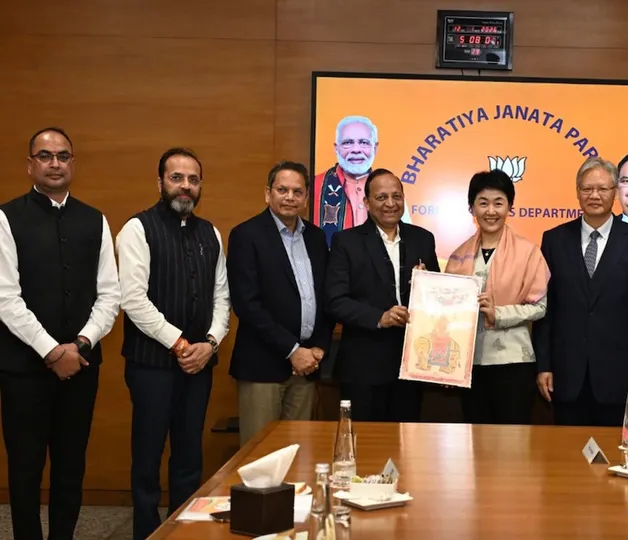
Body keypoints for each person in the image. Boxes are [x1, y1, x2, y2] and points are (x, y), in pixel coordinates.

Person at [0, 127, 121, 540]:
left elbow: (110, 295)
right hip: (23, 371)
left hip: (82, 366)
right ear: (30, 164)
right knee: (25, 469)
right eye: (46, 156)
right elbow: (6, 300)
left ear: (73, 163)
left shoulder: (95, 220)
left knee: (71, 466)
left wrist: (81, 343)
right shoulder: (6, 217)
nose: (55, 163)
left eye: (63, 156)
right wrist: (53, 351)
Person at [116, 147, 230, 539]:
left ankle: (184, 533)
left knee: (188, 459)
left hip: (199, 366)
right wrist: (182, 345)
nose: (185, 186)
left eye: (193, 179)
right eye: (176, 177)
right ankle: (147, 534)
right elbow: (133, 300)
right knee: (147, 461)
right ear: (160, 182)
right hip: (151, 368)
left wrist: (211, 343)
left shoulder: (210, 233)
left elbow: (222, 298)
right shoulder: (137, 229)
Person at [533, 157, 628, 427]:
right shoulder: (554, 240)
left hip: (619, 376)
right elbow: (546, 310)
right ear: (577, 192)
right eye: (587, 189)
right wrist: (544, 365)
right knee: (566, 459)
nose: (594, 195)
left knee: (614, 458)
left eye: (603, 189)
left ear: (615, 192)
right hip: (566, 374)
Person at [228, 161, 333, 445]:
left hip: (307, 367)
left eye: (297, 191)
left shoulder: (316, 237)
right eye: (282, 190)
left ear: (306, 197)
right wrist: (292, 350)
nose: (290, 197)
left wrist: (319, 348)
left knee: (300, 454)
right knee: (260, 456)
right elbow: (247, 304)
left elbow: (326, 297)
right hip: (263, 366)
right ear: (267, 193)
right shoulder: (245, 235)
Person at [325, 168, 439, 422]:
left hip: (412, 365)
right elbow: (335, 301)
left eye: (396, 196)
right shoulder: (346, 242)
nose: (390, 203)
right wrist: (380, 317)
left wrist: (428, 285)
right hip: (363, 366)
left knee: (407, 446)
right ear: (366, 202)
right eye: (381, 197)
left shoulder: (423, 239)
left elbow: (437, 297)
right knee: (365, 447)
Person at [445, 170, 549, 424]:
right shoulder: (458, 256)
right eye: (483, 203)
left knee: (512, 446)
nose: (491, 211)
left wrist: (498, 313)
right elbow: (446, 316)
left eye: (498, 203)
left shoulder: (529, 252)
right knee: (475, 444)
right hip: (469, 366)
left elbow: (540, 306)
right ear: (472, 208)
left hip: (513, 363)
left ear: (510, 207)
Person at [315, 115, 410, 244]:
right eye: (347, 143)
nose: (356, 150)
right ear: (336, 148)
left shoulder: (390, 189)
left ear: (375, 148)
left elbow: (405, 240)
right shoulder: (316, 186)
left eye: (364, 143)